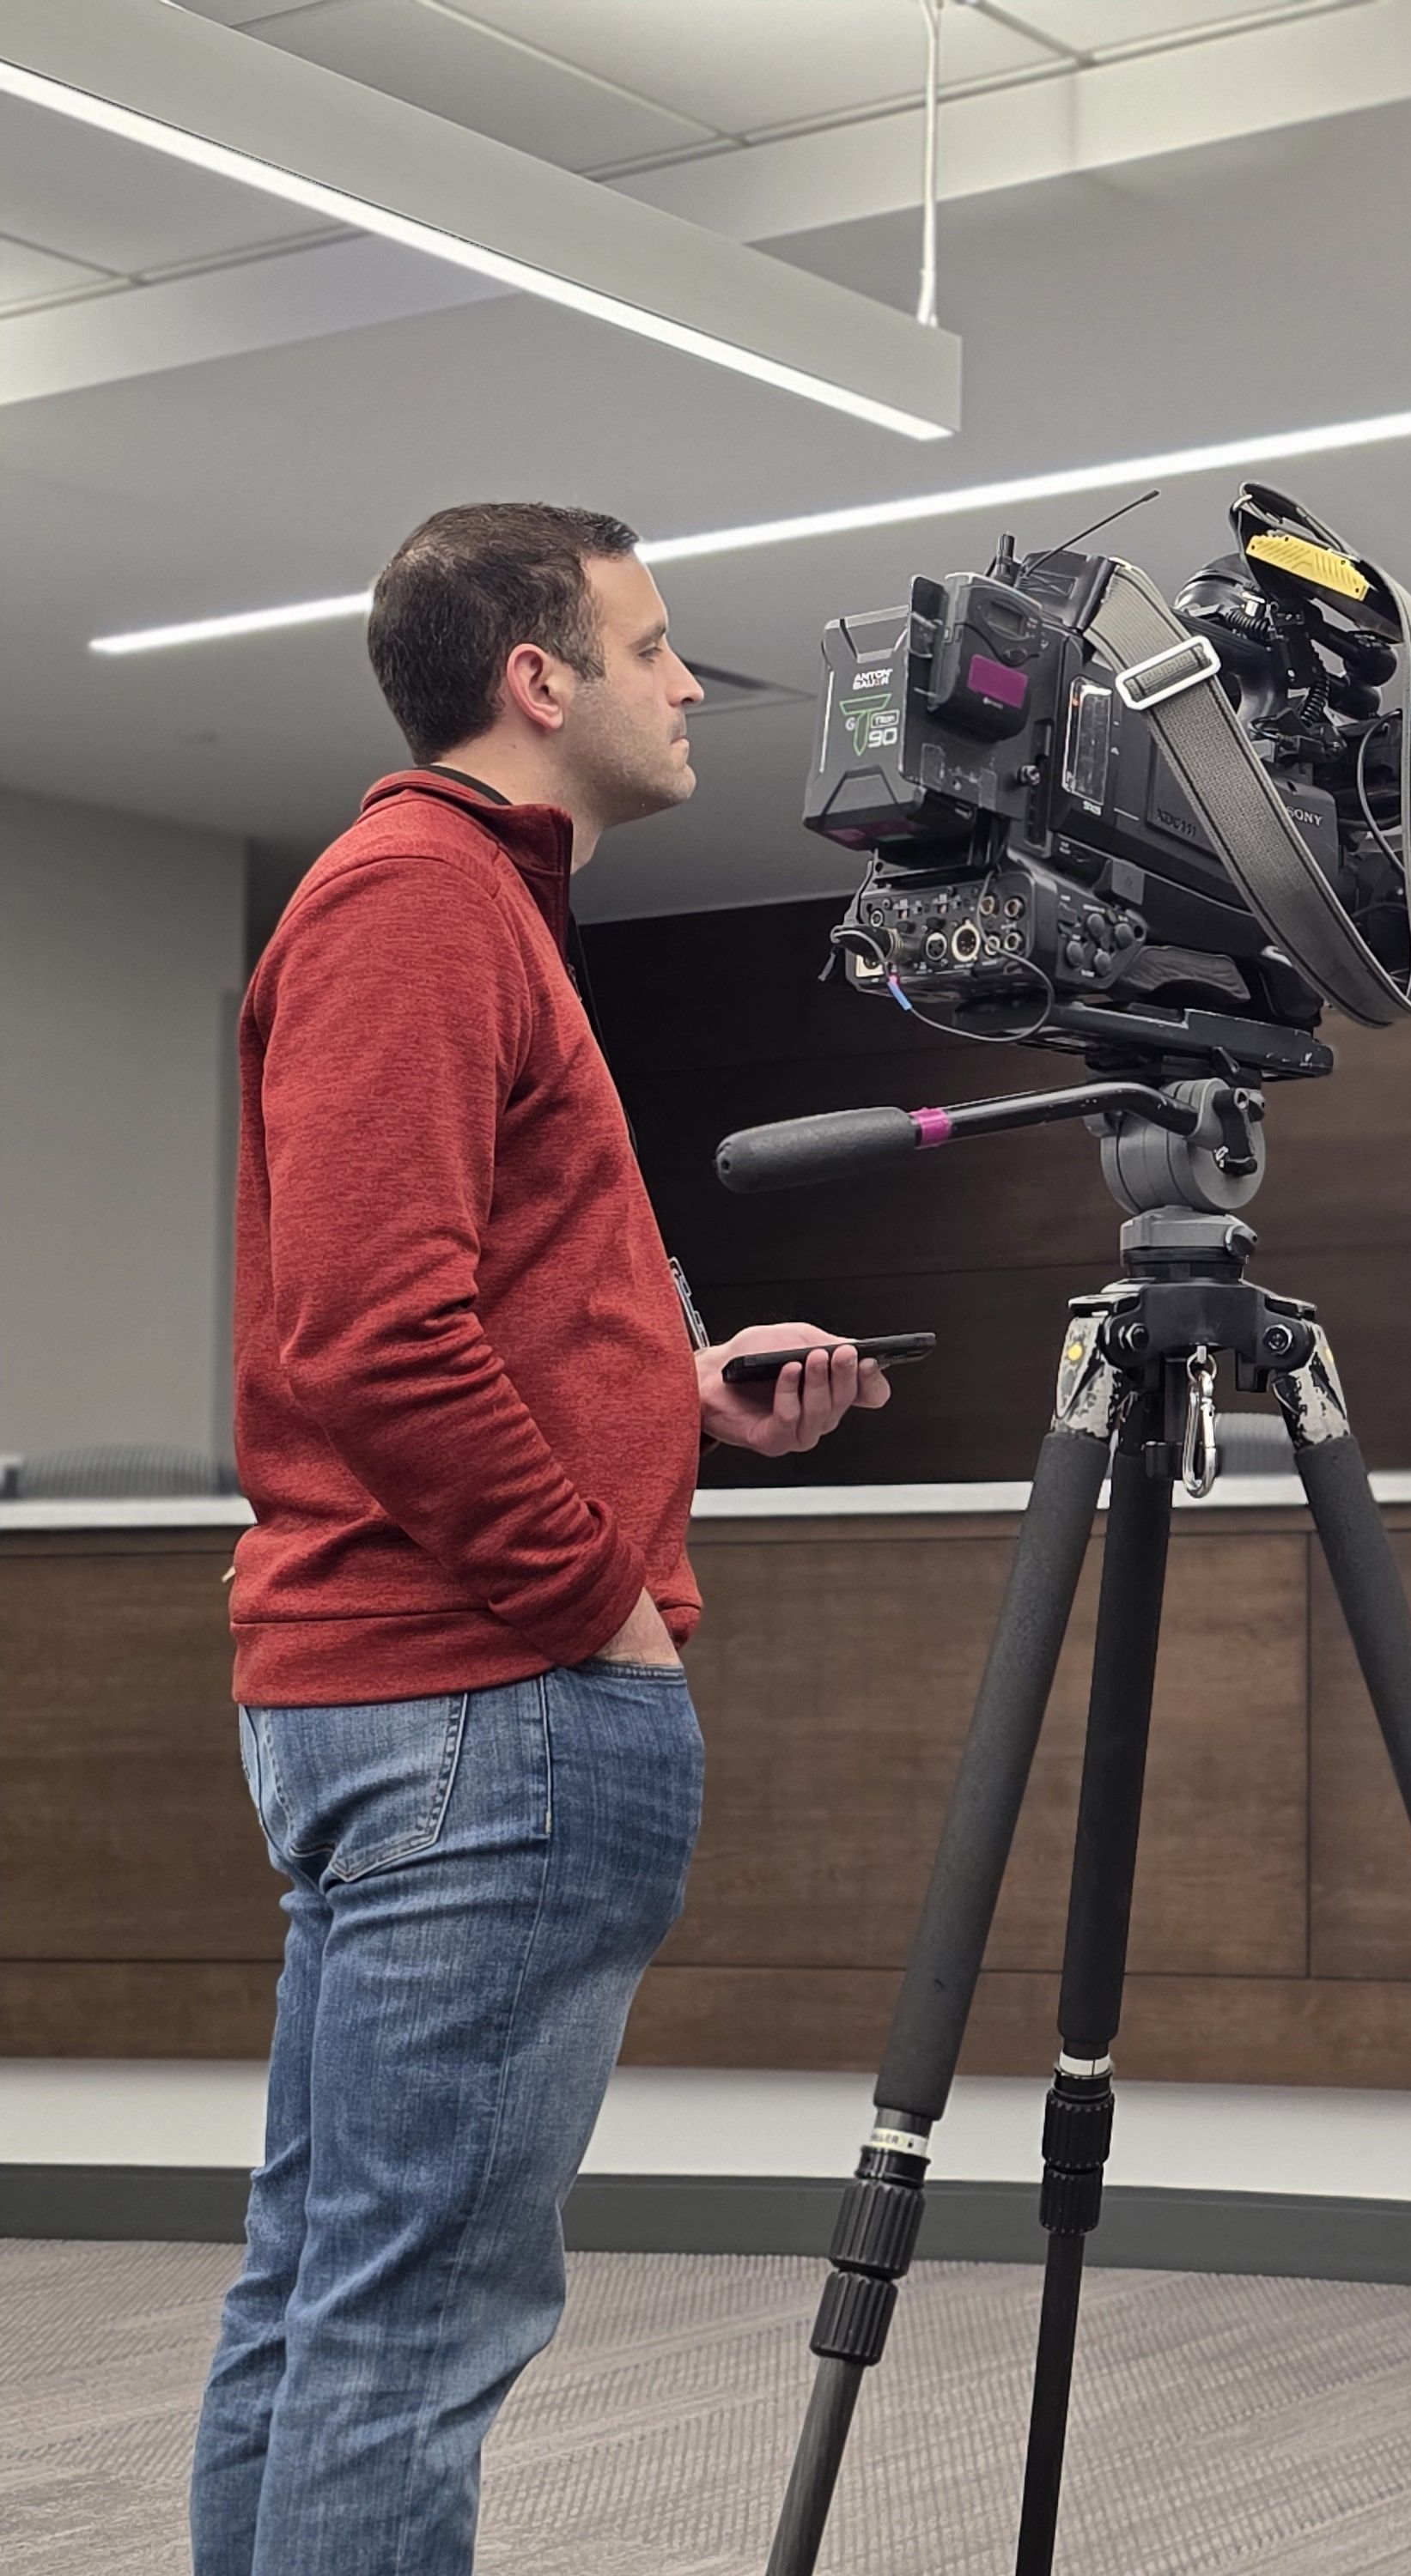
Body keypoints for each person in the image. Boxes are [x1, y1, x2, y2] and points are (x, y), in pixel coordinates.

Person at [194, 502, 894, 2575]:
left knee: (330, 2296)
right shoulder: (416, 900)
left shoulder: (469, 903)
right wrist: (598, 1602)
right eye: (657, 646)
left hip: (427, 1703)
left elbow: (449, 1307)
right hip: (482, 1703)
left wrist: (670, 1400)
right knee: (410, 2329)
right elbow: (369, 1339)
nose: (690, 687)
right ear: (540, 679)